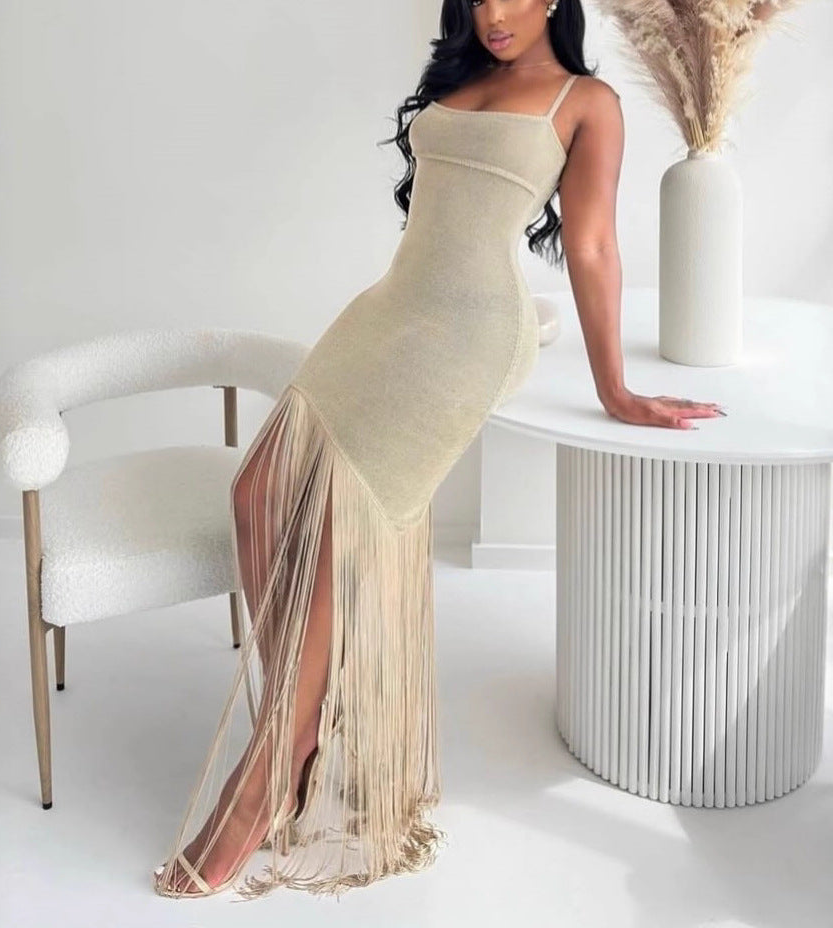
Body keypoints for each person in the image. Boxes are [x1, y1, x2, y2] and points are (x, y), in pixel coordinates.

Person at [153, 0, 725, 901]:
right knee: (255, 493)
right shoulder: (464, 73)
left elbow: (593, 246)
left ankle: (271, 770)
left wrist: (616, 388)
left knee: (338, 527)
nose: (492, 13)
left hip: (468, 337)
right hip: (388, 312)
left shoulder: (586, 102)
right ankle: (295, 723)